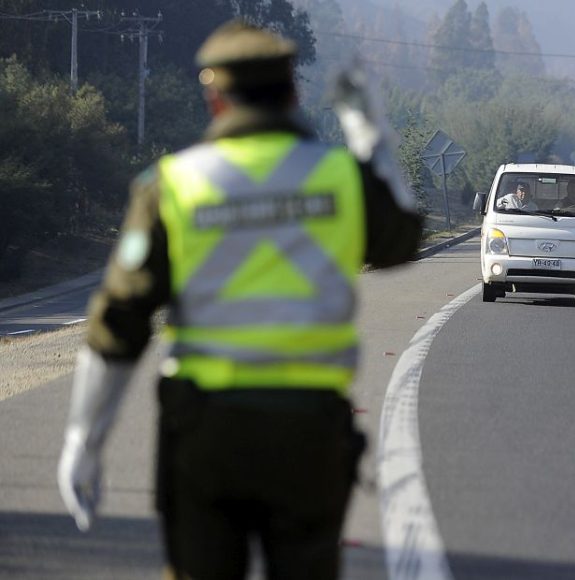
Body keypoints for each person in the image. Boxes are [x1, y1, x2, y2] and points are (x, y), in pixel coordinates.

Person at [56, 19, 422, 580]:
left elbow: (120, 321)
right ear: (293, 94)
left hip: (206, 433)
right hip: (309, 435)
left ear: (215, 99)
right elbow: (402, 240)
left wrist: (85, 439)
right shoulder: (342, 178)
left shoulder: (173, 184)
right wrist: (372, 138)